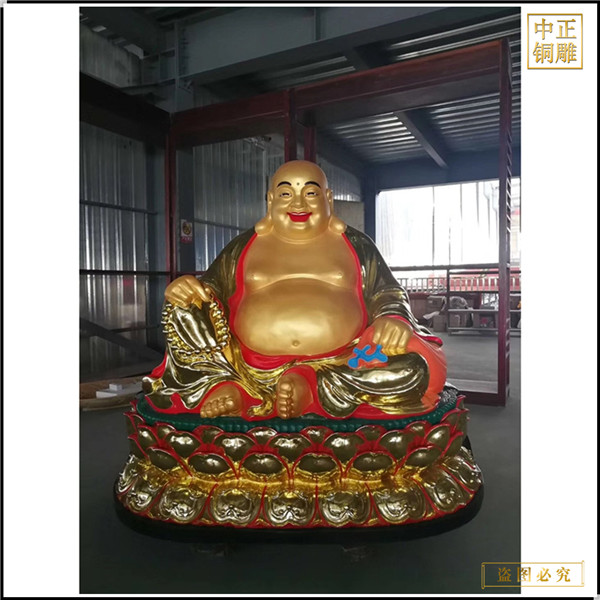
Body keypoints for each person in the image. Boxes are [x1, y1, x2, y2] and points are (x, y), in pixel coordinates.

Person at [143, 161, 447, 420]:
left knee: (412, 370)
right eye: (286, 194)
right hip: (242, 363)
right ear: (270, 200)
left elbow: (387, 292)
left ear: (328, 198)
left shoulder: (356, 244)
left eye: (310, 193)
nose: (298, 205)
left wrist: (392, 317)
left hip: (347, 360)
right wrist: (188, 288)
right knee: (181, 309)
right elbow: (211, 289)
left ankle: (311, 385)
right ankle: (226, 384)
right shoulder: (243, 246)